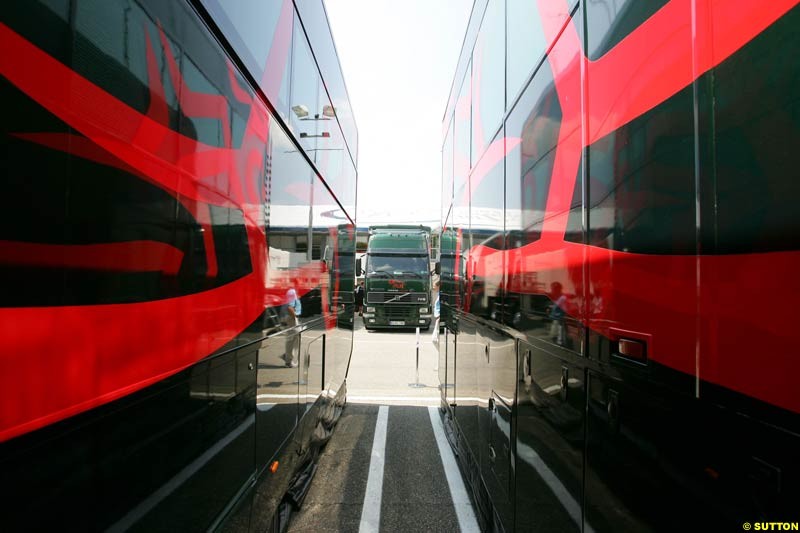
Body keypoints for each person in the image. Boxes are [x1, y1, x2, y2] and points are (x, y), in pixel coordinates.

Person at [282, 280, 302, 368]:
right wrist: (295, 317)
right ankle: (288, 361)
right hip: (291, 318)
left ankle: (287, 356)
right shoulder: (292, 291)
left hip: (291, 317)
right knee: (292, 338)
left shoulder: (293, 292)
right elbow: (290, 307)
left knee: (295, 338)